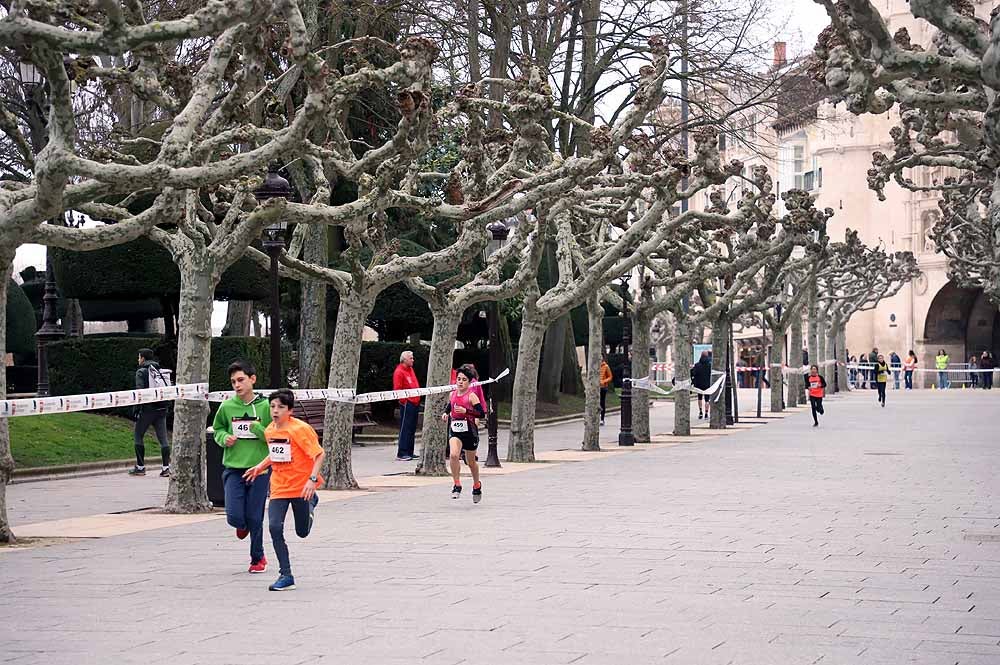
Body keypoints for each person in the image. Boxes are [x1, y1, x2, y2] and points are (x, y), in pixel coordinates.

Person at [244, 389, 325, 591]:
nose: (275, 411)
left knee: (302, 532)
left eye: (280, 407)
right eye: (272, 406)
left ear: (290, 410)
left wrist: (311, 480)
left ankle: (311, 503)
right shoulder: (270, 430)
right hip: (279, 486)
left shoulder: (300, 429)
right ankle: (286, 575)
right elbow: (275, 454)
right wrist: (259, 467)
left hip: (301, 487)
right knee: (274, 527)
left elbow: (319, 455)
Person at [212, 360, 271, 574]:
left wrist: (258, 429)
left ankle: (258, 558)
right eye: (233, 381)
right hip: (233, 468)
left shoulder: (266, 407)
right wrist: (224, 437)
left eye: (241, 380)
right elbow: (217, 429)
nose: (237, 385)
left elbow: (274, 437)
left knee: (256, 516)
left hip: (259, 469)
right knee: (234, 515)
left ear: (252, 379)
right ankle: (241, 524)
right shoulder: (227, 406)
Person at [441, 367, 485, 503]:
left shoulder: (472, 396)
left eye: (464, 380)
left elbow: (481, 414)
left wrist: (466, 411)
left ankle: (477, 485)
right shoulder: (452, 394)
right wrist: (446, 413)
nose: (460, 382)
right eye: (458, 379)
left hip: (469, 430)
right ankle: (457, 484)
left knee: (471, 462)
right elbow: (451, 405)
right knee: (454, 455)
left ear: (469, 382)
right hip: (455, 429)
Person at [129, 348, 172, 477]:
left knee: (138, 435)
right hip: (161, 409)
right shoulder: (159, 371)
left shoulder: (141, 372)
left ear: (142, 358)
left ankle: (140, 467)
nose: (138, 360)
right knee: (163, 439)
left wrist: (136, 409)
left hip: (147, 410)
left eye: (138, 357)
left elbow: (139, 392)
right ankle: (166, 468)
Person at [393, 350, 421, 461]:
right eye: (411, 358)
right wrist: (405, 401)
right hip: (407, 404)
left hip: (415, 402)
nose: (413, 360)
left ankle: (409, 451)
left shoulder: (410, 370)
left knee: (412, 428)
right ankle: (402, 452)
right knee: (405, 428)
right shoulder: (399, 372)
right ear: (404, 359)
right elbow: (397, 389)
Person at [691, 350, 713, 420]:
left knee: (699, 398)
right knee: (707, 399)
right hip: (707, 384)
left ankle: (700, 411)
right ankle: (706, 413)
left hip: (699, 384)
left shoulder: (697, 365)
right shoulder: (710, 365)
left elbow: (693, 373)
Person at [599, 356, 613, 426]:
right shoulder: (594, 366)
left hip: (603, 387)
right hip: (595, 388)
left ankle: (602, 419)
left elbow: (610, 377)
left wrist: (604, 381)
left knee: (602, 403)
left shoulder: (606, 366)